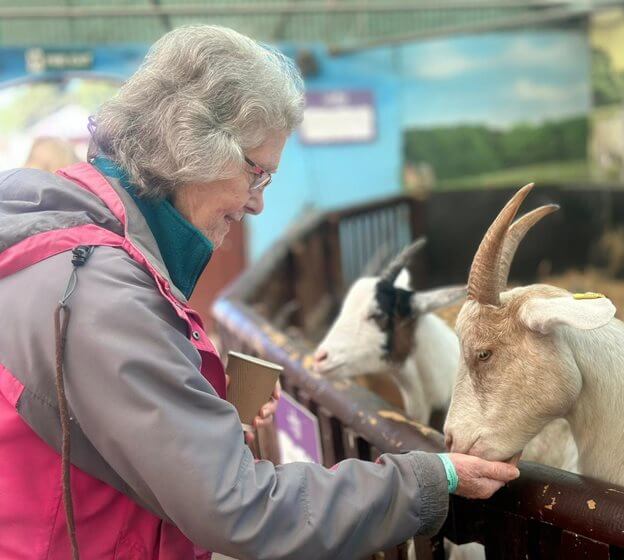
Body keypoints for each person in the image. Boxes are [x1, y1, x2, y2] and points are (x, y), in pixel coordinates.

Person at [0, 25, 519, 560]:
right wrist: (428, 479)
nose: (257, 204)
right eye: (258, 175)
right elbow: (240, 510)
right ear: (192, 146)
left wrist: (200, 415)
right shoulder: (100, 292)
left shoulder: (49, 240)